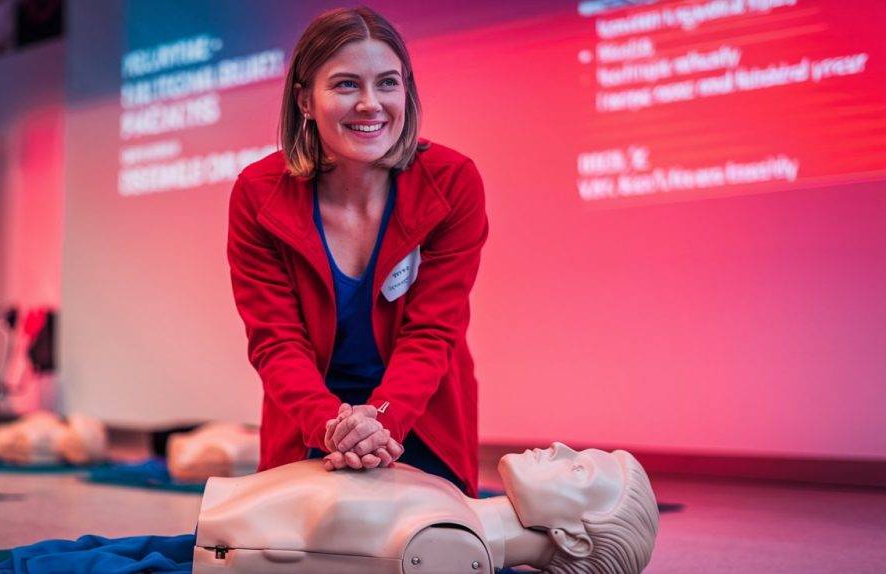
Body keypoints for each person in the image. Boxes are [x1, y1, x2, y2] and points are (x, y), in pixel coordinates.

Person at [227, 7, 488, 496]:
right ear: (305, 100)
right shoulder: (258, 193)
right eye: (346, 85)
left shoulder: (453, 182)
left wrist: (380, 423)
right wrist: (332, 426)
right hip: (310, 424)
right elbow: (275, 341)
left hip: (420, 420)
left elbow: (433, 332)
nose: (371, 103)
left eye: (388, 83)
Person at [193, 442, 660, 573]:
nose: (559, 447)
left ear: (571, 538)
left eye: (577, 471)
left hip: (221, 543)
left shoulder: (451, 544)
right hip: (227, 515)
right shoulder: (454, 506)